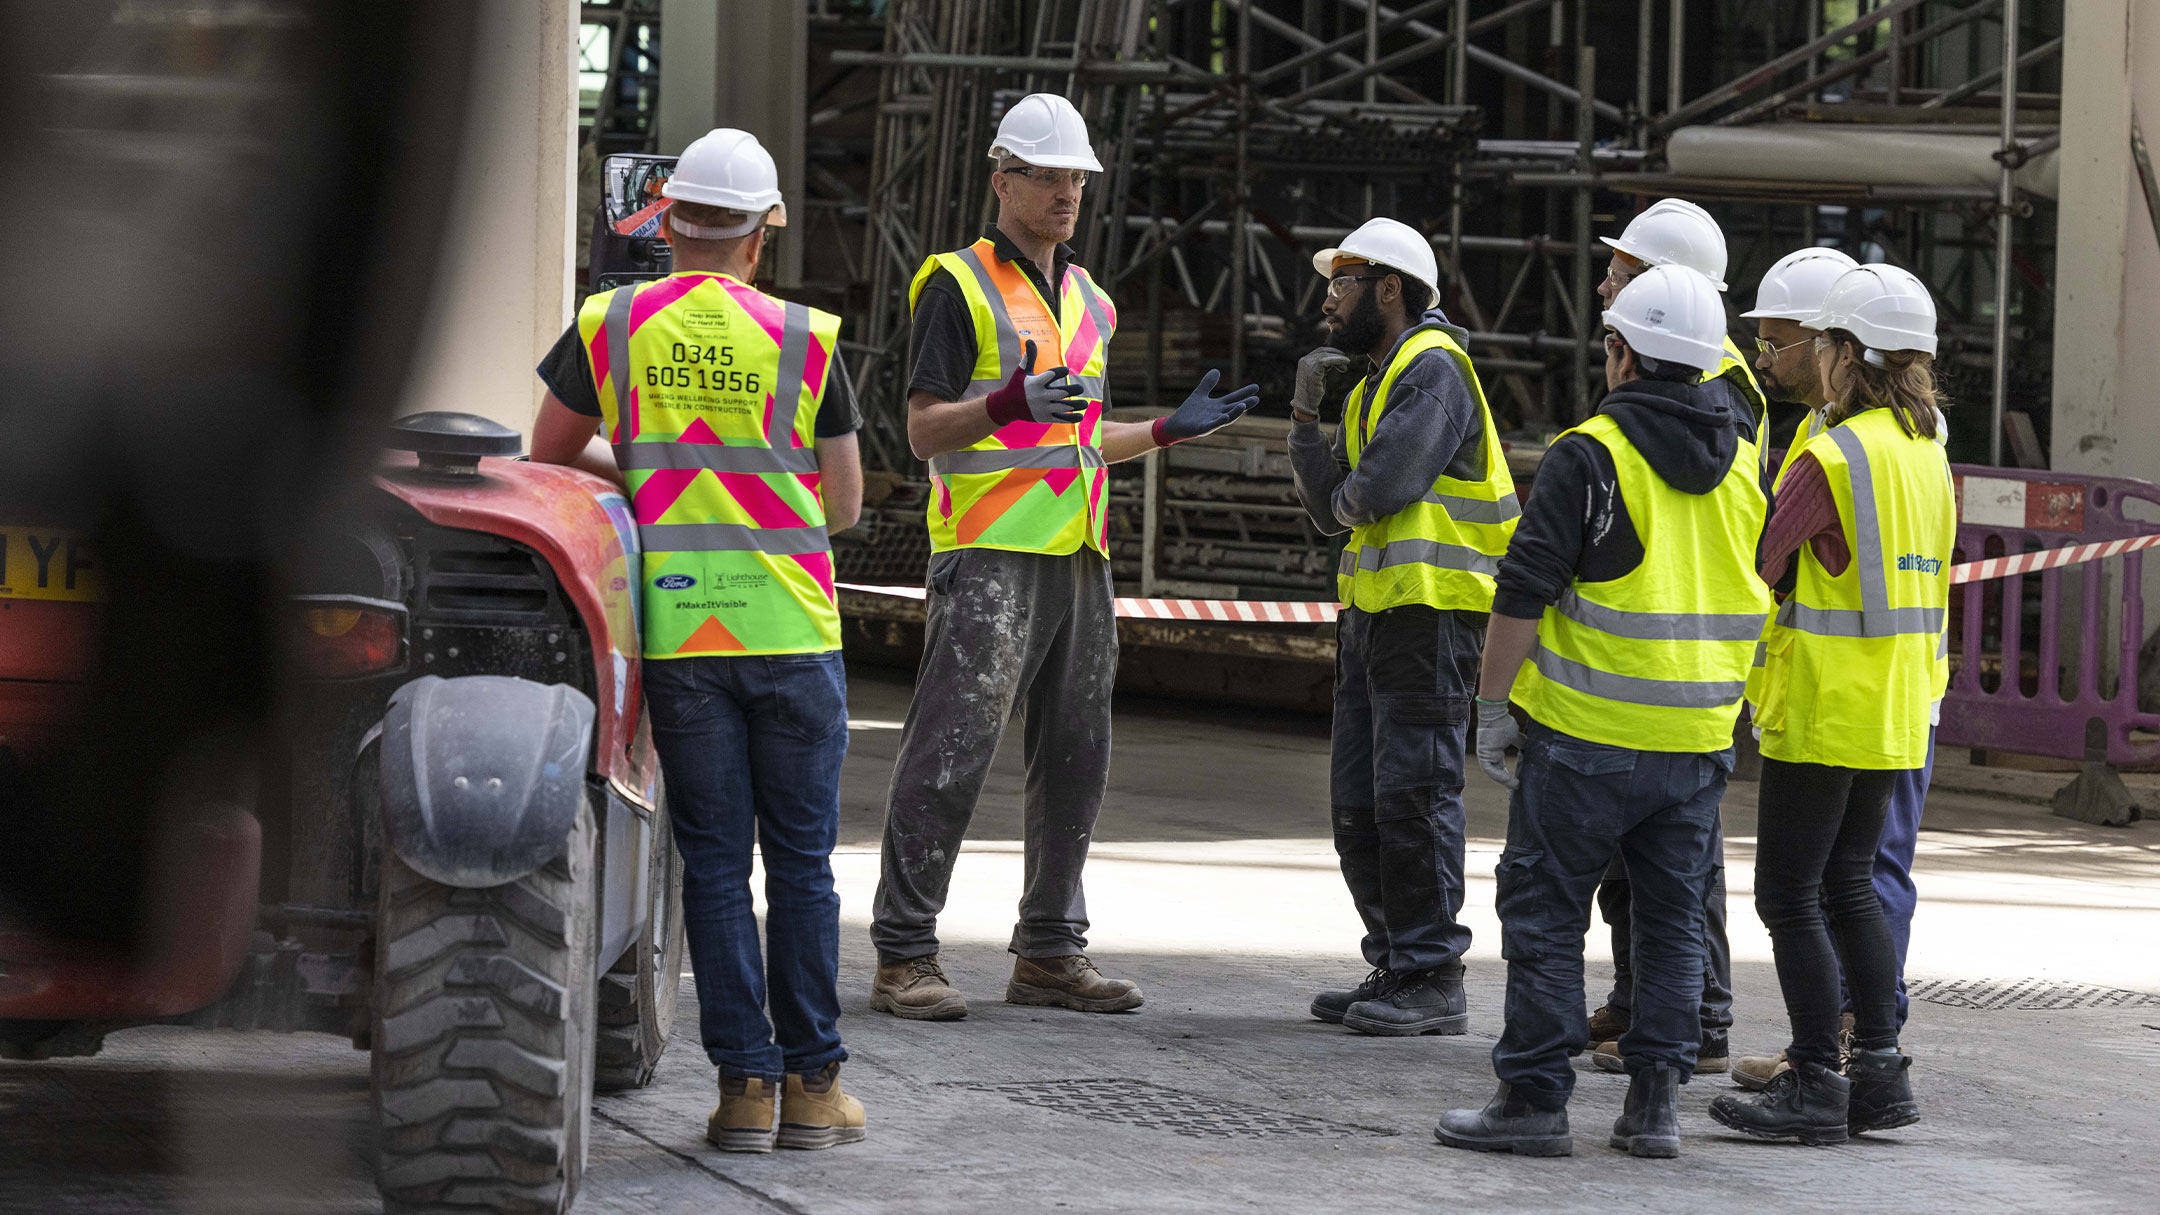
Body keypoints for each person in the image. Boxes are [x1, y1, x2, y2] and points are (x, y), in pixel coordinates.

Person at [868, 93, 1260, 1020]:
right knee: (951, 751)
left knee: (1078, 755)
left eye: (1078, 177)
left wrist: (1164, 429)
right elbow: (924, 431)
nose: (1066, 192)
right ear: (1002, 180)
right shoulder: (953, 285)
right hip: (989, 553)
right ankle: (903, 955)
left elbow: (1082, 437)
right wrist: (1005, 403)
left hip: (1079, 552)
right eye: (1048, 175)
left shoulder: (1091, 301)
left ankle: (1049, 951)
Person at [529, 127, 867, 1154]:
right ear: (764, 233)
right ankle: (815, 1090)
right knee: (802, 867)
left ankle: (742, 1095)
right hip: (792, 628)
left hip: (681, 632)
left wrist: (652, 465)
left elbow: (549, 454)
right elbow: (845, 505)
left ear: (666, 223)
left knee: (716, 869)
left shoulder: (612, 321)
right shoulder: (808, 336)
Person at [1436, 265, 1771, 1159]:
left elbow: (1523, 590)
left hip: (1586, 737)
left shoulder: (1591, 454)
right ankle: (1654, 1106)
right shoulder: (1745, 464)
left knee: (1546, 913)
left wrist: (1494, 707)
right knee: (1668, 921)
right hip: (1697, 743)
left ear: (1620, 354)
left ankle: (1535, 1099)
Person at [1709, 264, 1951, 1144]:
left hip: (1821, 705)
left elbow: (1759, 570)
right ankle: (1879, 1073)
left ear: (1846, 352)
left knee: (1789, 895)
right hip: (1895, 706)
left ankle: (1816, 1077)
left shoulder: (1830, 455)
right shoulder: (1925, 450)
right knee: (1852, 884)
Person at [1285, 217, 1516, 1036]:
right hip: (1377, 617)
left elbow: (1373, 491)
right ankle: (1395, 960)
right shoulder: (1380, 380)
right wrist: (1307, 420)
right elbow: (1329, 509)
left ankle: (1430, 970)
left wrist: (1347, 492)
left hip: (1432, 614)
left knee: (1413, 793)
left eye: (1341, 284)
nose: (1327, 300)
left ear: (1389, 289)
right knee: (1361, 801)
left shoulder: (1433, 370)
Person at [1578, 198, 1760, 1071]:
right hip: (1664, 659)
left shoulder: (1707, 382)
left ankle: (1698, 1021)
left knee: (1682, 868)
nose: (1604, 279)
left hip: (1681, 659)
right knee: (1641, 861)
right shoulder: (1692, 367)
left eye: (1621, 267)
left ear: (1663, 284)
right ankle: (1641, 1000)